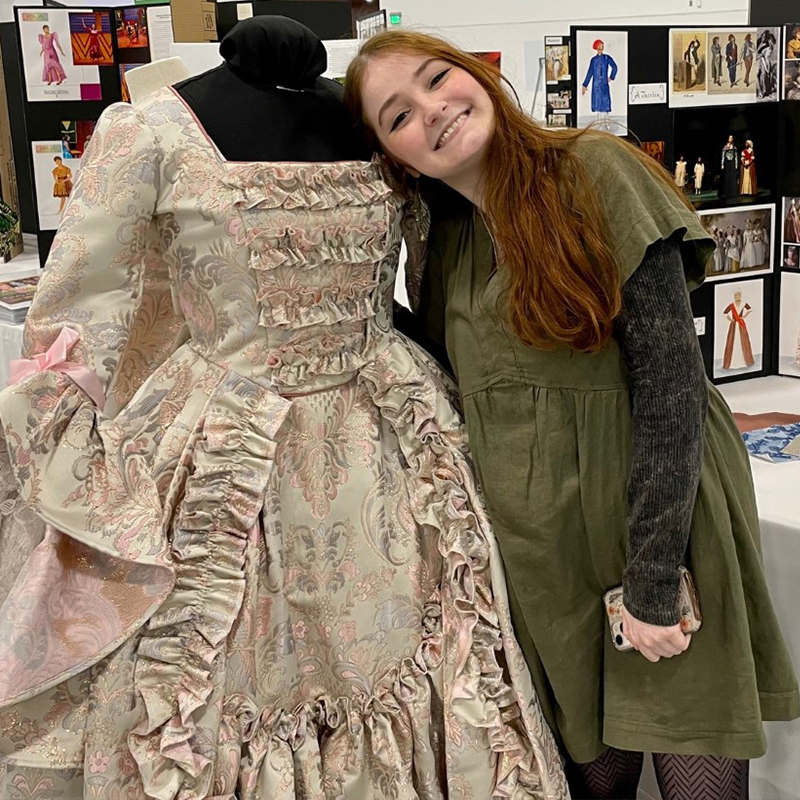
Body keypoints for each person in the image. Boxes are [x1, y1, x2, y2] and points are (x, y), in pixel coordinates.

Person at [0, 18, 567, 799]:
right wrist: (60, 448)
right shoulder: (152, 131)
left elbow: (423, 276)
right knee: (216, 667)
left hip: (390, 436)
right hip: (227, 440)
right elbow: (83, 305)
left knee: (430, 645)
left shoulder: (378, 127)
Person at [346, 29, 799, 800]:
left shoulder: (592, 169)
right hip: (544, 554)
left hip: (655, 524)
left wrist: (653, 578)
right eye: (398, 115)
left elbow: (669, 382)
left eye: (435, 78)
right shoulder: (441, 241)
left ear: (473, 75)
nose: (433, 109)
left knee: (696, 774)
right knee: (593, 780)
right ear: (395, 157)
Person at [581, 38, 617, 130]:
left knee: (605, 103)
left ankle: (607, 122)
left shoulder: (606, 58)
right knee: (598, 104)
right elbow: (590, 72)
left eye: (602, 45)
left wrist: (611, 77)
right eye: (600, 45)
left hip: (604, 84)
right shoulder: (593, 60)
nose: (601, 47)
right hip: (596, 85)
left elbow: (614, 67)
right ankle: (600, 123)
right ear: (596, 47)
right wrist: (585, 85)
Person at [722, 290, 755, 370]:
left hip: (740, 324)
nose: (737, 297)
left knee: (743, 340)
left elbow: (750, 309)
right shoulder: (732, 305)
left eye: (739, 295)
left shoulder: (744, 304)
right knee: (732, 340)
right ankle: (731, 363)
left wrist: (743, 317)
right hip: (734, 325)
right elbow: (725, 313)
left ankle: (746, 361)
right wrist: (730, 319)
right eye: (736, 295)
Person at [720, 134, 739, 199]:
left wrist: (736, 164)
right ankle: (727, 192)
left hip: (732, 162)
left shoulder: (734, 147)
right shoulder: (725, 147)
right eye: (730, 138)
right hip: (727, 162)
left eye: (732, 138)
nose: (731, 139)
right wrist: (722, 164)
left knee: (732, 177)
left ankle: (733, 192)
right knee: (727, 176)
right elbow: (723, 156)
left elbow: (736, 156)